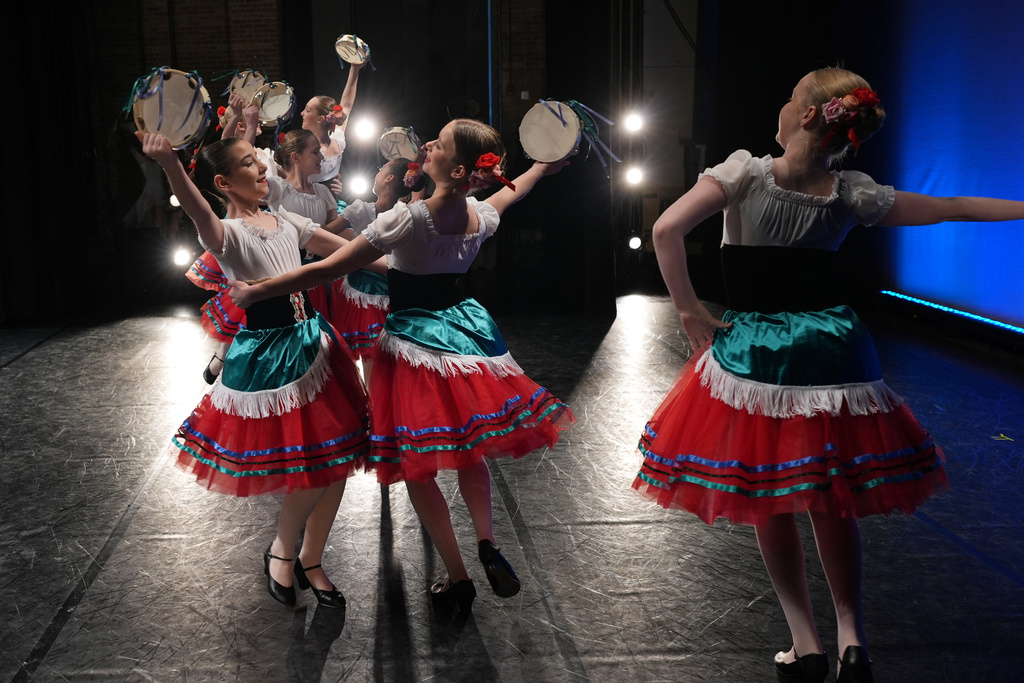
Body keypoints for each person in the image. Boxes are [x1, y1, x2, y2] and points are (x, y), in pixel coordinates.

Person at [632, 67, 1024, 683]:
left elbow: (665, 229)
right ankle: (851, 638)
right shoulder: (851, 194)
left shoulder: (745, 172)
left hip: (760, 351)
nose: (784, 104)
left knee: (770, 493)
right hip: (833, 349)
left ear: (810, 115)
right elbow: (950, 207)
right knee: (830, 494)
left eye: (791, 97)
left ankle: (805, 642)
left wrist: (688, 307)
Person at [229, 119, 576, 615]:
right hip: (464, 334)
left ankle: (458, 575)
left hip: (413, 343)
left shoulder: (410, 219)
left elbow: (331, 267)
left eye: (440, 141)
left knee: (418, 467)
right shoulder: (479, 216)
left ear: (454, 168)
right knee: (471, 444)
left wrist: (258, 290)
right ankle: (485, 538)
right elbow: (510, 196)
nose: (428, 142)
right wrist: (543, 165)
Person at [136, 131, 371, 610]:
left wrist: (402, 268)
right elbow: (198, 209)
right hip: (272, 358)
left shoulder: (283, 218)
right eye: (248, 164)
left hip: (316, 346)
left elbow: (343, 251)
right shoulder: (225, 233)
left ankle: (312, 557)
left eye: (258, 161)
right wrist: (168, 163)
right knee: (317, 464)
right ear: (223, 182)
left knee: (339, 457)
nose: (261, 169)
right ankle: (282, 550)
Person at [301, 62, 363, 207]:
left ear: (320, 119)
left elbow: (346, 105)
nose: (302, 113)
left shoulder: (336, 141)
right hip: (309, 206)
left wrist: (355, 69)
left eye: (308, 110)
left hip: (331, 205)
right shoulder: (302, 147)